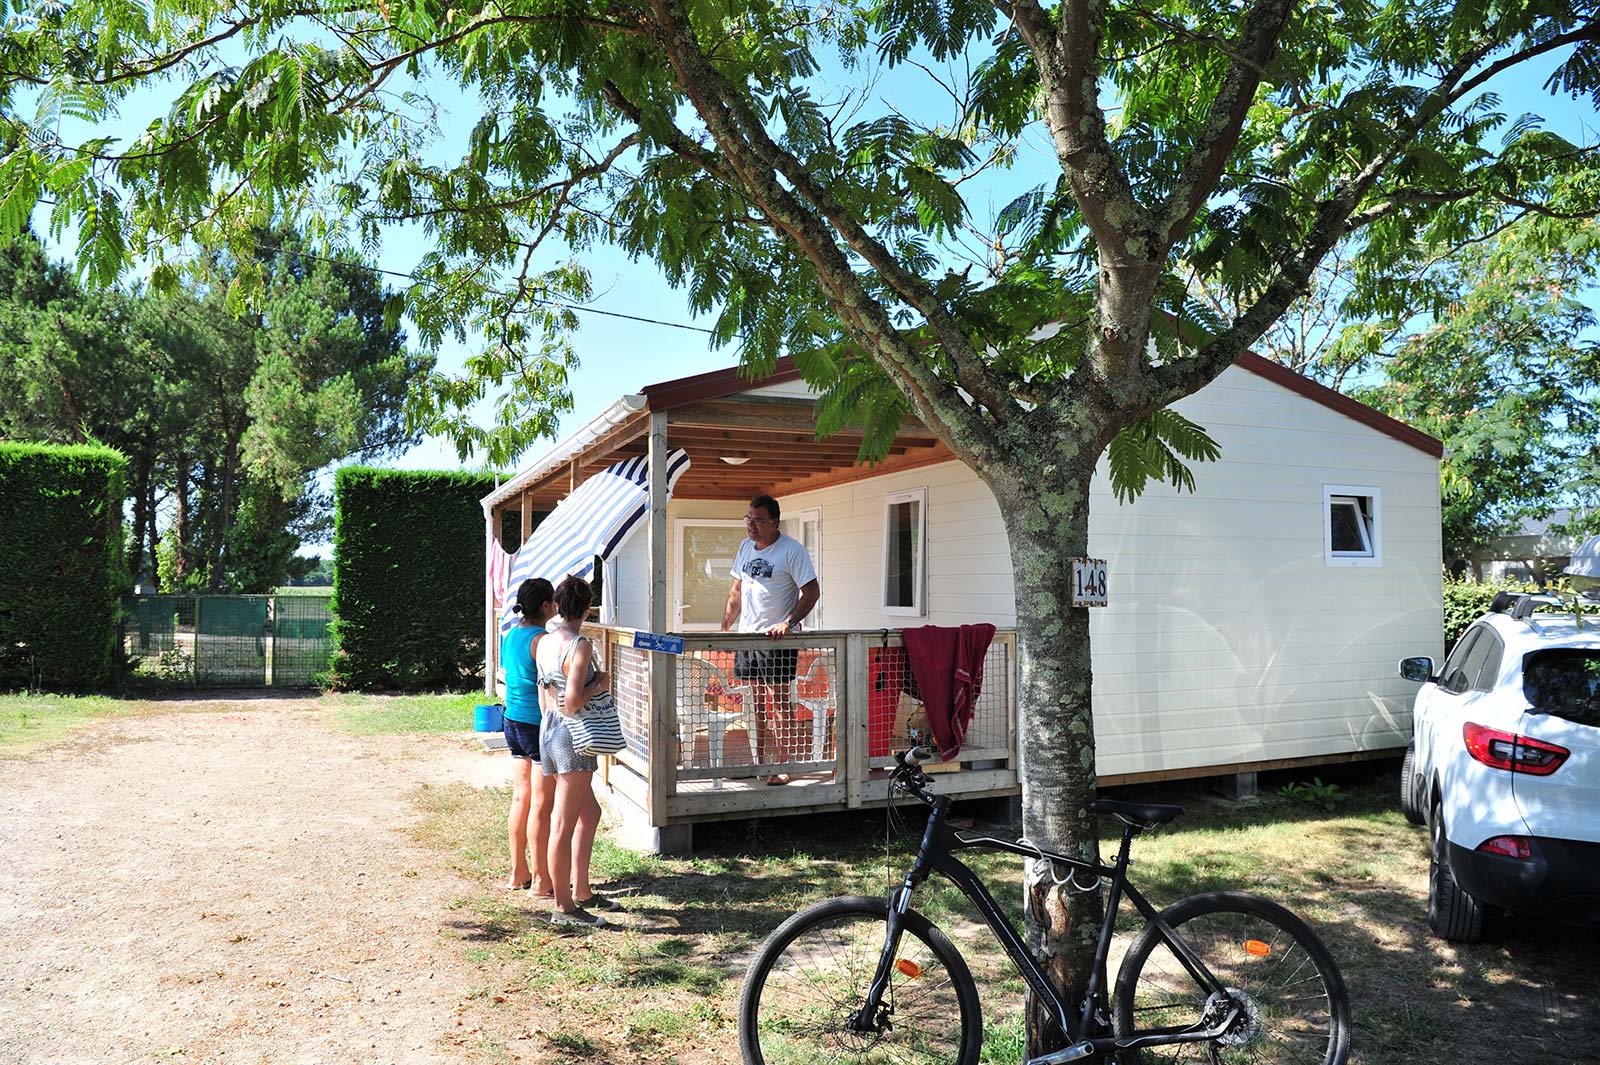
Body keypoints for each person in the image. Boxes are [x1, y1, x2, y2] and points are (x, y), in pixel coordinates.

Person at [536, 575, 621, 927]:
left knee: (590, 814)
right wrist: (599, 684)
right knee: (563, 823)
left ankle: (581, 890)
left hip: (549, 731)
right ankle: (564, 907)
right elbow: (571, 702)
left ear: (557, 604)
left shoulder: (543, 642)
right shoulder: (580, 645)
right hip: (573, 736)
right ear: (587, 608)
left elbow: (548, 694)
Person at [721, 494, 820, 785]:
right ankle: (759, 762)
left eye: (758, 520)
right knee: (754, 704)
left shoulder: (792, 551)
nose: (751, 525)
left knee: (779, 703)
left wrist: (788, 623)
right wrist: (725, 625)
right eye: (748, 518)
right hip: (747, 639)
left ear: (775, 522)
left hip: (777, 641)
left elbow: (812, 593)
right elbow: (736, 590)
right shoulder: (744, 547)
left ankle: (783, 763)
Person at [501, 578, 558, 893]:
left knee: (520, 797)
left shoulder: (510, 635)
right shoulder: (542, 640)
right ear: (547, 606)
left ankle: (518, 872)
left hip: (512, 722)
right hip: (537, 725)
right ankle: (540, 879)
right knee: (541, 803)